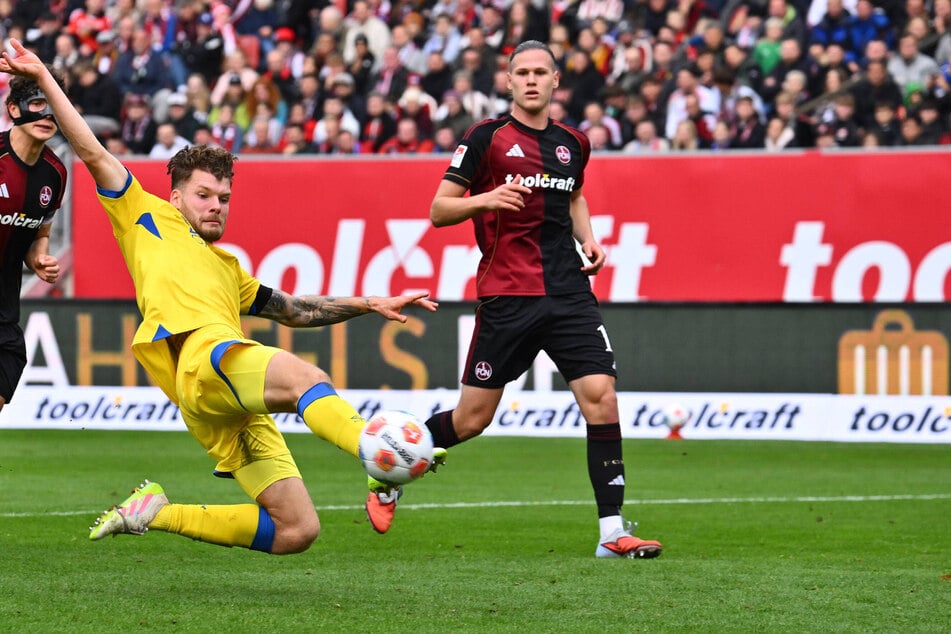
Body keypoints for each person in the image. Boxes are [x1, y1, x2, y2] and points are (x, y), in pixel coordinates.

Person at [0, 39, 438, 555]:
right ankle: (375, 453)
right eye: (204, 195)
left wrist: (370, 303)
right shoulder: (144, 214)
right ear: (176, 195)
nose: (215, 207)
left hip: (219, 398)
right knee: (307, 379)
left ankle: (158, 512)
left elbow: (296, 310)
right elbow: (92, 149)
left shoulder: (230, 270)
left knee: (297, 530)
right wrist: (46, 78)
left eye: (224, 198)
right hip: (200, 358)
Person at [384, 40, 663, 559]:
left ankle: (612, 533)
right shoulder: (485, 139)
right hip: (508, 295)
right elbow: (439, 210)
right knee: (471, 420)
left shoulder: (573, 142)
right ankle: (390, 459)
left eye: (541, 72)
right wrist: (487, 198)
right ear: (509, 82)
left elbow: (573, 194)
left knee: (601, 397)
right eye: (522, 73)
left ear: (557, 80)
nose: (532, 80)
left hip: (569, 293)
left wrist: (590, 239)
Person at [0, 71, 68, 413]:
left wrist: (39, 258)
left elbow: (38, 232)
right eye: (38, 104)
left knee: (9, 365)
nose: (47, 116)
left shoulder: (55, 173)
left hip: (4, 310)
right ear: (14, 109)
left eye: (54, 107)